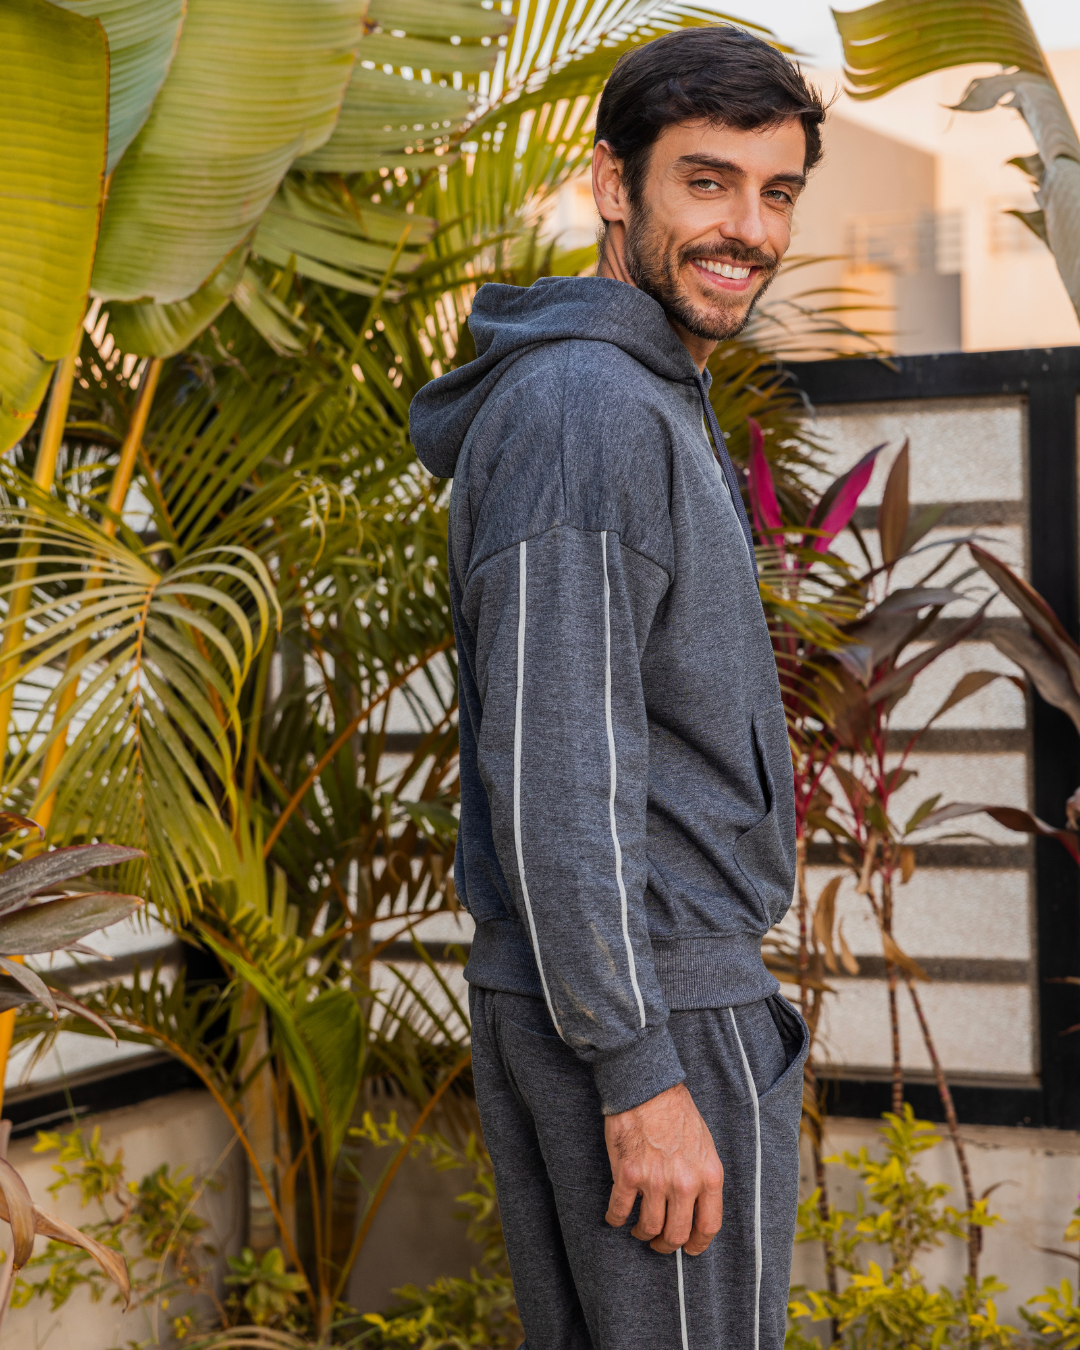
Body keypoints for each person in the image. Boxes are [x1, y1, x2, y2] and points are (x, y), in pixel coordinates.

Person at [410, 24, 824, 1350]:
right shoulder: (589, 407)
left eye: (775, 191)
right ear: (610, 184)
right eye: (706, 181)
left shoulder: (635, 392)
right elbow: (560, 770)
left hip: (626, 995)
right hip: (649, 1009)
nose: (747, 228)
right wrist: (641, 1071)